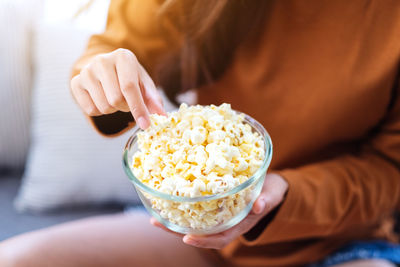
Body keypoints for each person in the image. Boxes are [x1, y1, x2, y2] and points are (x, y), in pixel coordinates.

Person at [1, 0, 400, 266]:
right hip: (204, 226)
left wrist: (279, 194)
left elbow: (389, 168)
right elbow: (117, 44)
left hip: (337, 240)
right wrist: (103, 75)